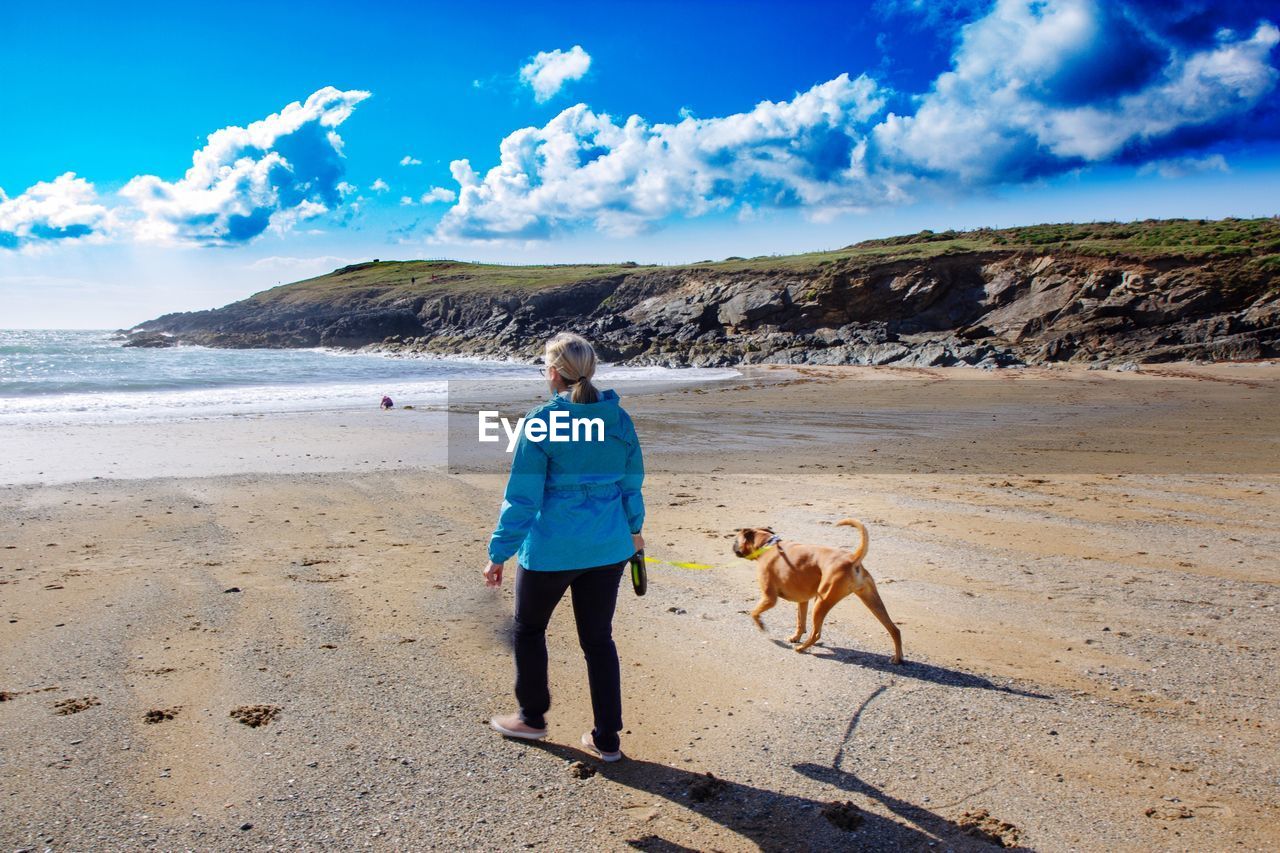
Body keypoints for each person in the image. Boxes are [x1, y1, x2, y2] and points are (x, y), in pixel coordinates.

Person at [485, 332, 645, 762]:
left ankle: (532, 719)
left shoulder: (541, 421)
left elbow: (523, 497)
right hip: (608, 548)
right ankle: (607, 739)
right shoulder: (618, 419)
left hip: (553, 552)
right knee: (598, 641)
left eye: (544, 367)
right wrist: (634, 529)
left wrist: (499, 552)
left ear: (552, 372)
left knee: (529, 630)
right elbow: (631, 483)